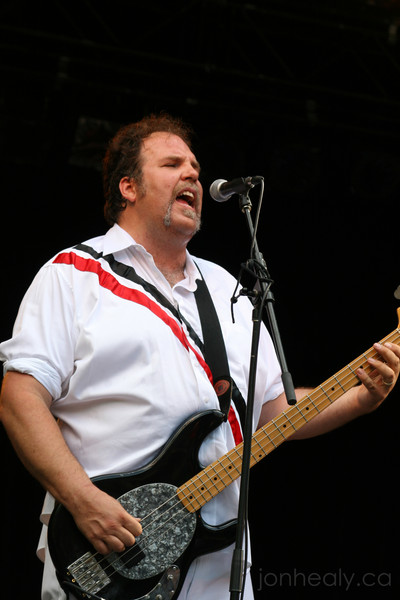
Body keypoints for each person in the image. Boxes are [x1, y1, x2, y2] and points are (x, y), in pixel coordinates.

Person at [0, 113, 399, 600]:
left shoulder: (226, 289)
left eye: (195, 165)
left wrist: (361, 400)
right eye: (172, 164)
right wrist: (83, 502)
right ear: (128, 186)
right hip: (108, 548)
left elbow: (274, 413)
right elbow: (20, 399)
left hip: (216, 557)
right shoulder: (74, 274)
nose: (193, 174)